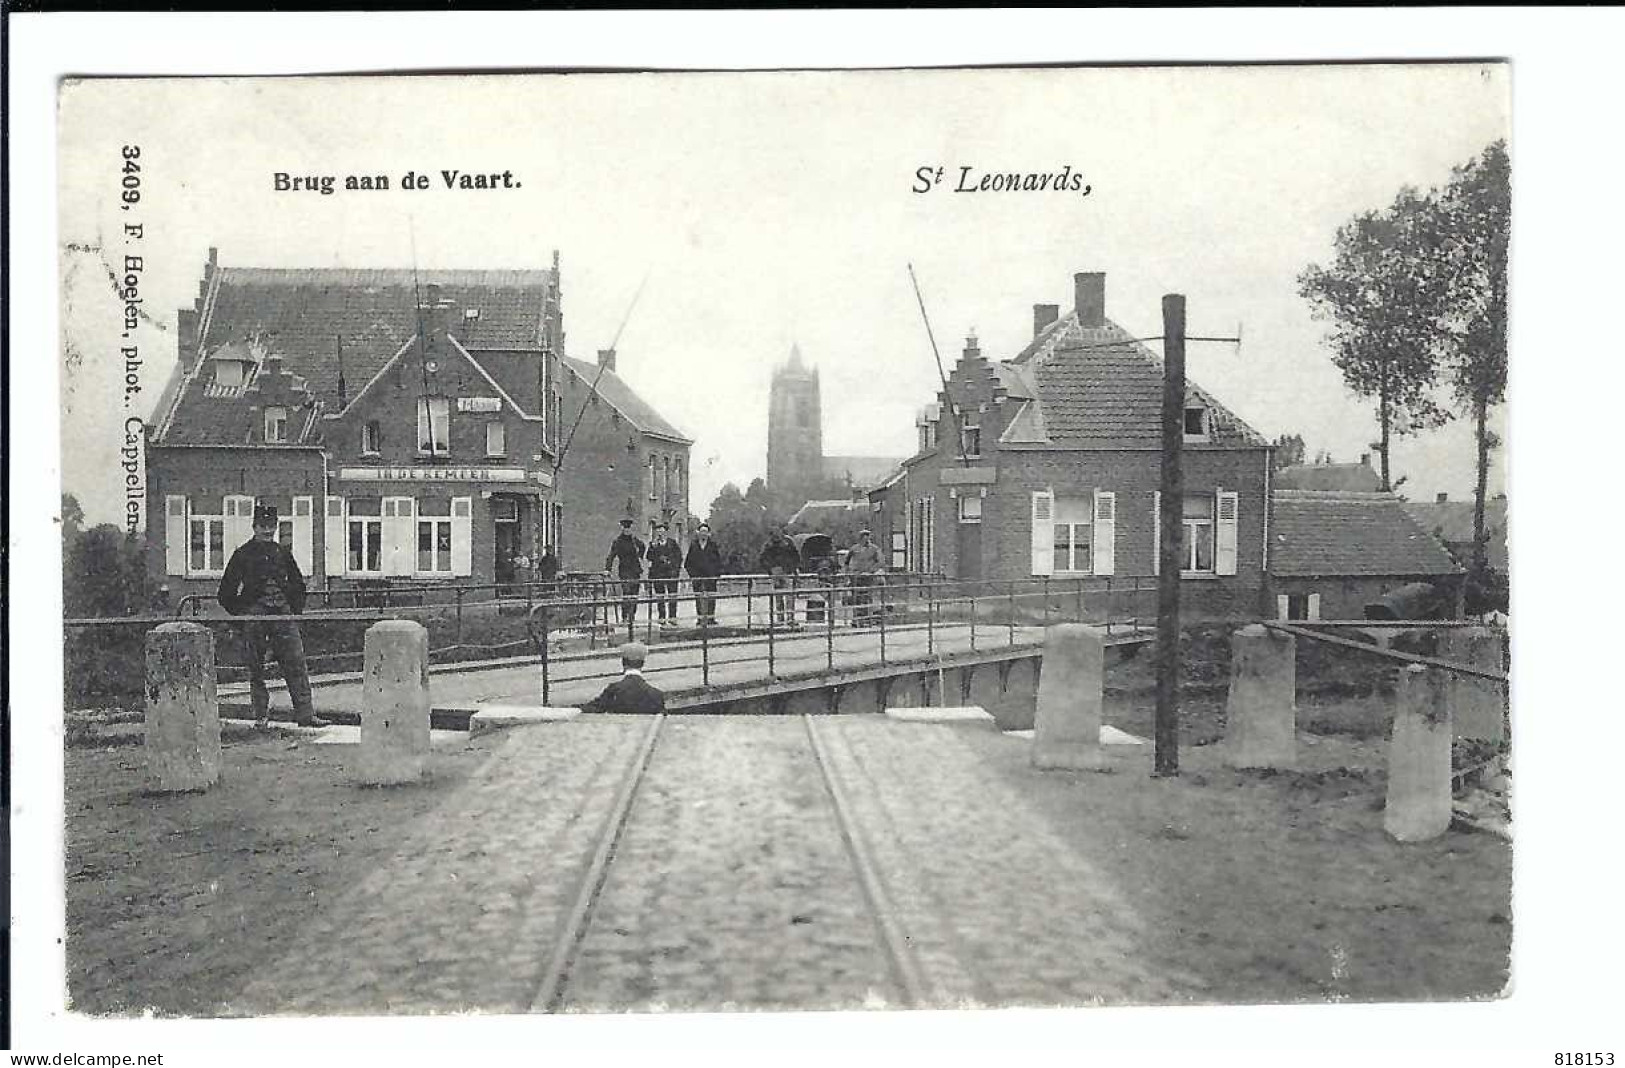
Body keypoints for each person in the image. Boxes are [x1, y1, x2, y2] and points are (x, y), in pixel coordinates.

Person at [218, 503, 329, 728]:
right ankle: (260, 716)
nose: (267, 531)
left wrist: (293, 612)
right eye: (262, 526)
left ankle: (305, 714)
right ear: (254, 527)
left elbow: (298, 585)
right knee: (256, 668)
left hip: (283, 617)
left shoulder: (282, 553)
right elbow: (225, 593)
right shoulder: (242, 555)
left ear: (276, 526)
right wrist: (244, 613)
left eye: (271, 526)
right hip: (255, 618)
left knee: (296, 663)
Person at [580, 642, 665, 714]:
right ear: (643, 664)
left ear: (623, 663)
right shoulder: (656, 695)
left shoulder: (614, 690)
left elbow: (592, 708)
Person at [604, 518, 646, 625]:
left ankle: (632, 616)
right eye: (625, 528)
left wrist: (640, 555)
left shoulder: (634, 540)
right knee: (627, 593)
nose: (627, 530)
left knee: (634, 594)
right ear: (622, 529)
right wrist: (607, 569)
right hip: (625, 570)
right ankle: (625, 616)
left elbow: (643, 546)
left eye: (629, 528)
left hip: (635, 570)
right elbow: (611, 556)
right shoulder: (618, 542)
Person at [758, 524, 801, 628]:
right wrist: (771, 570)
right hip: (776, 572)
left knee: (789, 596)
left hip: (787, 571)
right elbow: (763, 558)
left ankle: (790, 618)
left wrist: (793, 568)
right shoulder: (769, 544)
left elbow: (796, 556)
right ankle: (780, 618)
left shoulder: (788, 542)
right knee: (779, 597)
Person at [684, 521, 723, 627]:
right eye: (701, 531)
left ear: (709, 533)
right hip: (697, 577)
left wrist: (715, 574)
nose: (703, 534)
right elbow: (688, 563)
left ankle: (711, 618)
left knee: (711, 597)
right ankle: (700, 618)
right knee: (698, 598)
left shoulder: (713, 546)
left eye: (705, 532)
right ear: (698, 533)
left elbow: (718, 561)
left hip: (710, 576)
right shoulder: (694, 545)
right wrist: (693, 575)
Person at [845, 528, 885, 627]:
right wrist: (849, 573)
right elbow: (846, 562)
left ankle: (868, 619)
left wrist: (870, 571)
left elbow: (880, 562)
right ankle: (856, 620)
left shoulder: (874, 549)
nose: (866, 538)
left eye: (867, 536)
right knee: (856, 598)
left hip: (868, 577)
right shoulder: (854, 549)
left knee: (867, 597)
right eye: (863, 536)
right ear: (860, 538)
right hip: (856, 577)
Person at [645, 522, 683, 627]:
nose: (660, 533)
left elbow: (679, 557)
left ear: (666, 532)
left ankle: (672, 617)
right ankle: (662, 617)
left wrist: (675, 569)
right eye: (658, 531)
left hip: (671, 574)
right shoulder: (653, 544)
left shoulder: (672, 543)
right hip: (658, 574)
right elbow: (648, 557)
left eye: (662, 531)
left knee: (672, 596)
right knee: (660, 597)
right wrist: (653, 548)